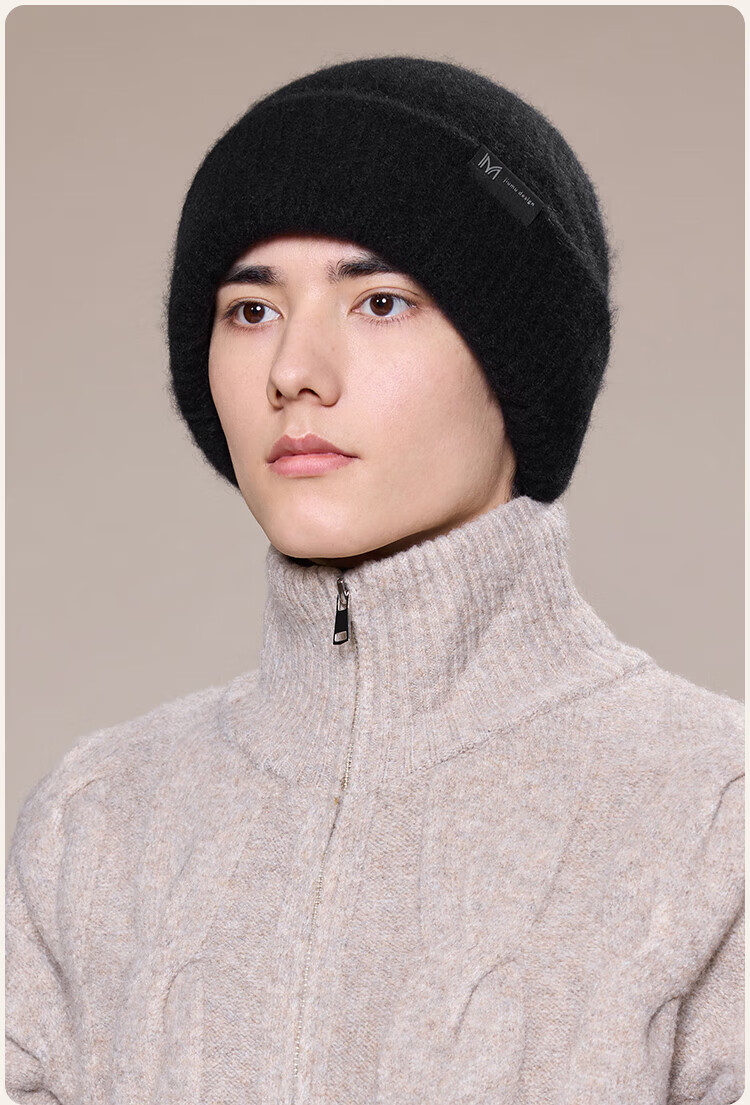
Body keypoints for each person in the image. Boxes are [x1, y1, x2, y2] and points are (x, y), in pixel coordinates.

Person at [5, 55, 743, 1105]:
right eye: (250, 310)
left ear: (519, 363)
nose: (293, 370)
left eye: (381, 301)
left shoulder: (713, 807)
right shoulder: (95, 823)